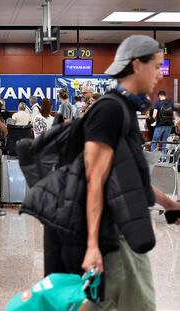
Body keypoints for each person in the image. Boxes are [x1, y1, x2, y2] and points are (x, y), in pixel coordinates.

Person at [77, 35, 180, 310]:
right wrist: (92, 244)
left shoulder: (124, 109)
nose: (160, 74)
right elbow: (94, 180)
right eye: (156, 66)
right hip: (116, 232)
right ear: (136, 65)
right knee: (139, 306)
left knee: (104, 303)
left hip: (126, 226)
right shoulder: (110, 110)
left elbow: (130, 178)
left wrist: (170, 204)